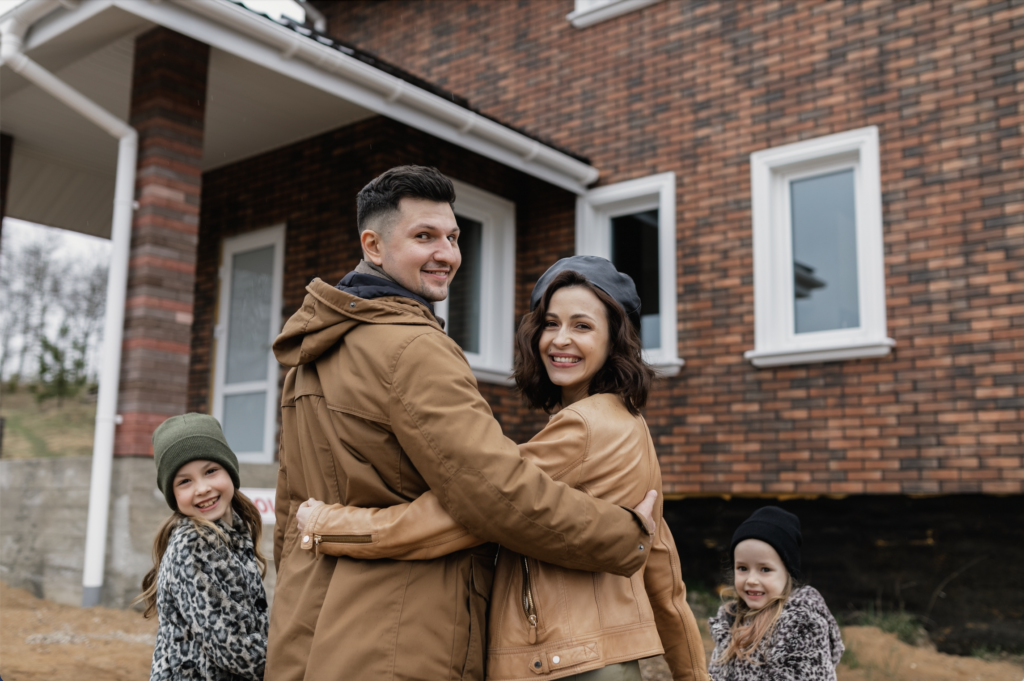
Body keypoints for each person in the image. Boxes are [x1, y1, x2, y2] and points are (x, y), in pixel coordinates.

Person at [266, 166, 659, 681]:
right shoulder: (415, 347)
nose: (447, 254)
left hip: (311, 628)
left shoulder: (311, 355)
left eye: (452, 237)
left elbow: (293, 513)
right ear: (374, 245)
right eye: (424, 237)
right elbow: (494, 493)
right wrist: (622, 533)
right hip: (403, 635)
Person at [294, 256, 710, 681]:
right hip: (602, 664)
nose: (560, 340)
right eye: (551, 323)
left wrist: (330, 524)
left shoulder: (585, 426)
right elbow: (664, 571)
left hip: (565, 665)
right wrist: (692, 674)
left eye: (582, 326)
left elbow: (466, 513)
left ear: (615, 341)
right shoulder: (630, 423)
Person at [137, 413, 269, 681]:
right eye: (184, 481)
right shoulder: (193, 545)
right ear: (172, 494)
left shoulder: (236, 533)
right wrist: (299, 658)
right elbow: (233, 650)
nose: (202, 488)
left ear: (229, 470)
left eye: (210, 471)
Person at [707, 506, 844, 681]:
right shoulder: (730, 621)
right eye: (742, 568)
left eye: (765, 569)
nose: (751, 580)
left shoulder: (803, 626)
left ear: (787, 573)